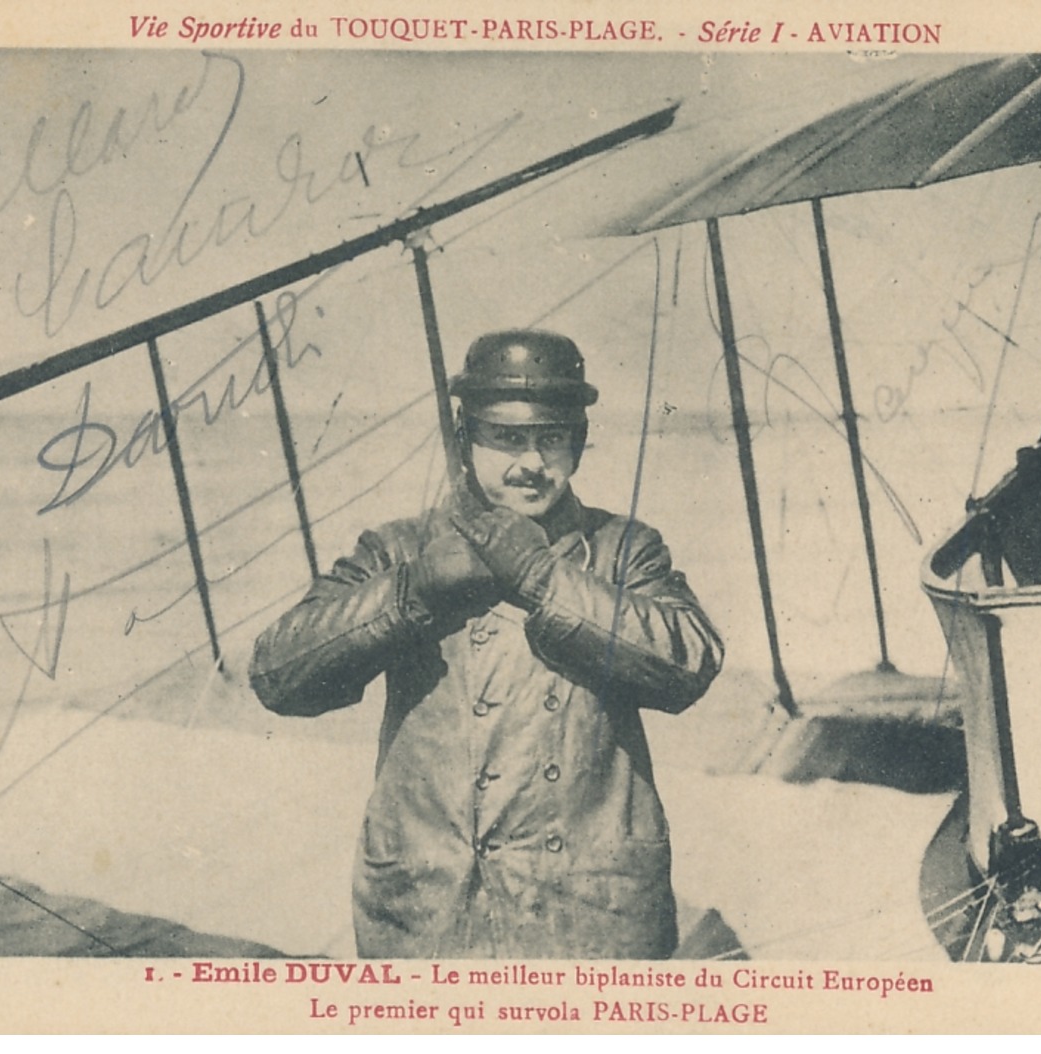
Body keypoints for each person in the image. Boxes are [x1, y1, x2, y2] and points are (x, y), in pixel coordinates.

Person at [249, 329, 723, 959]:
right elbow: (279, 675)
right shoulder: (399, 548)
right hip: (432, 910)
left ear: (577, 445)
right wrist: (413, 591)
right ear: (464, 439)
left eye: (551, 438)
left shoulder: (622, 548)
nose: (531, 462)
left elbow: (689, 662)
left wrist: (543, 579)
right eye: (506, 437)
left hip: (590, 916)